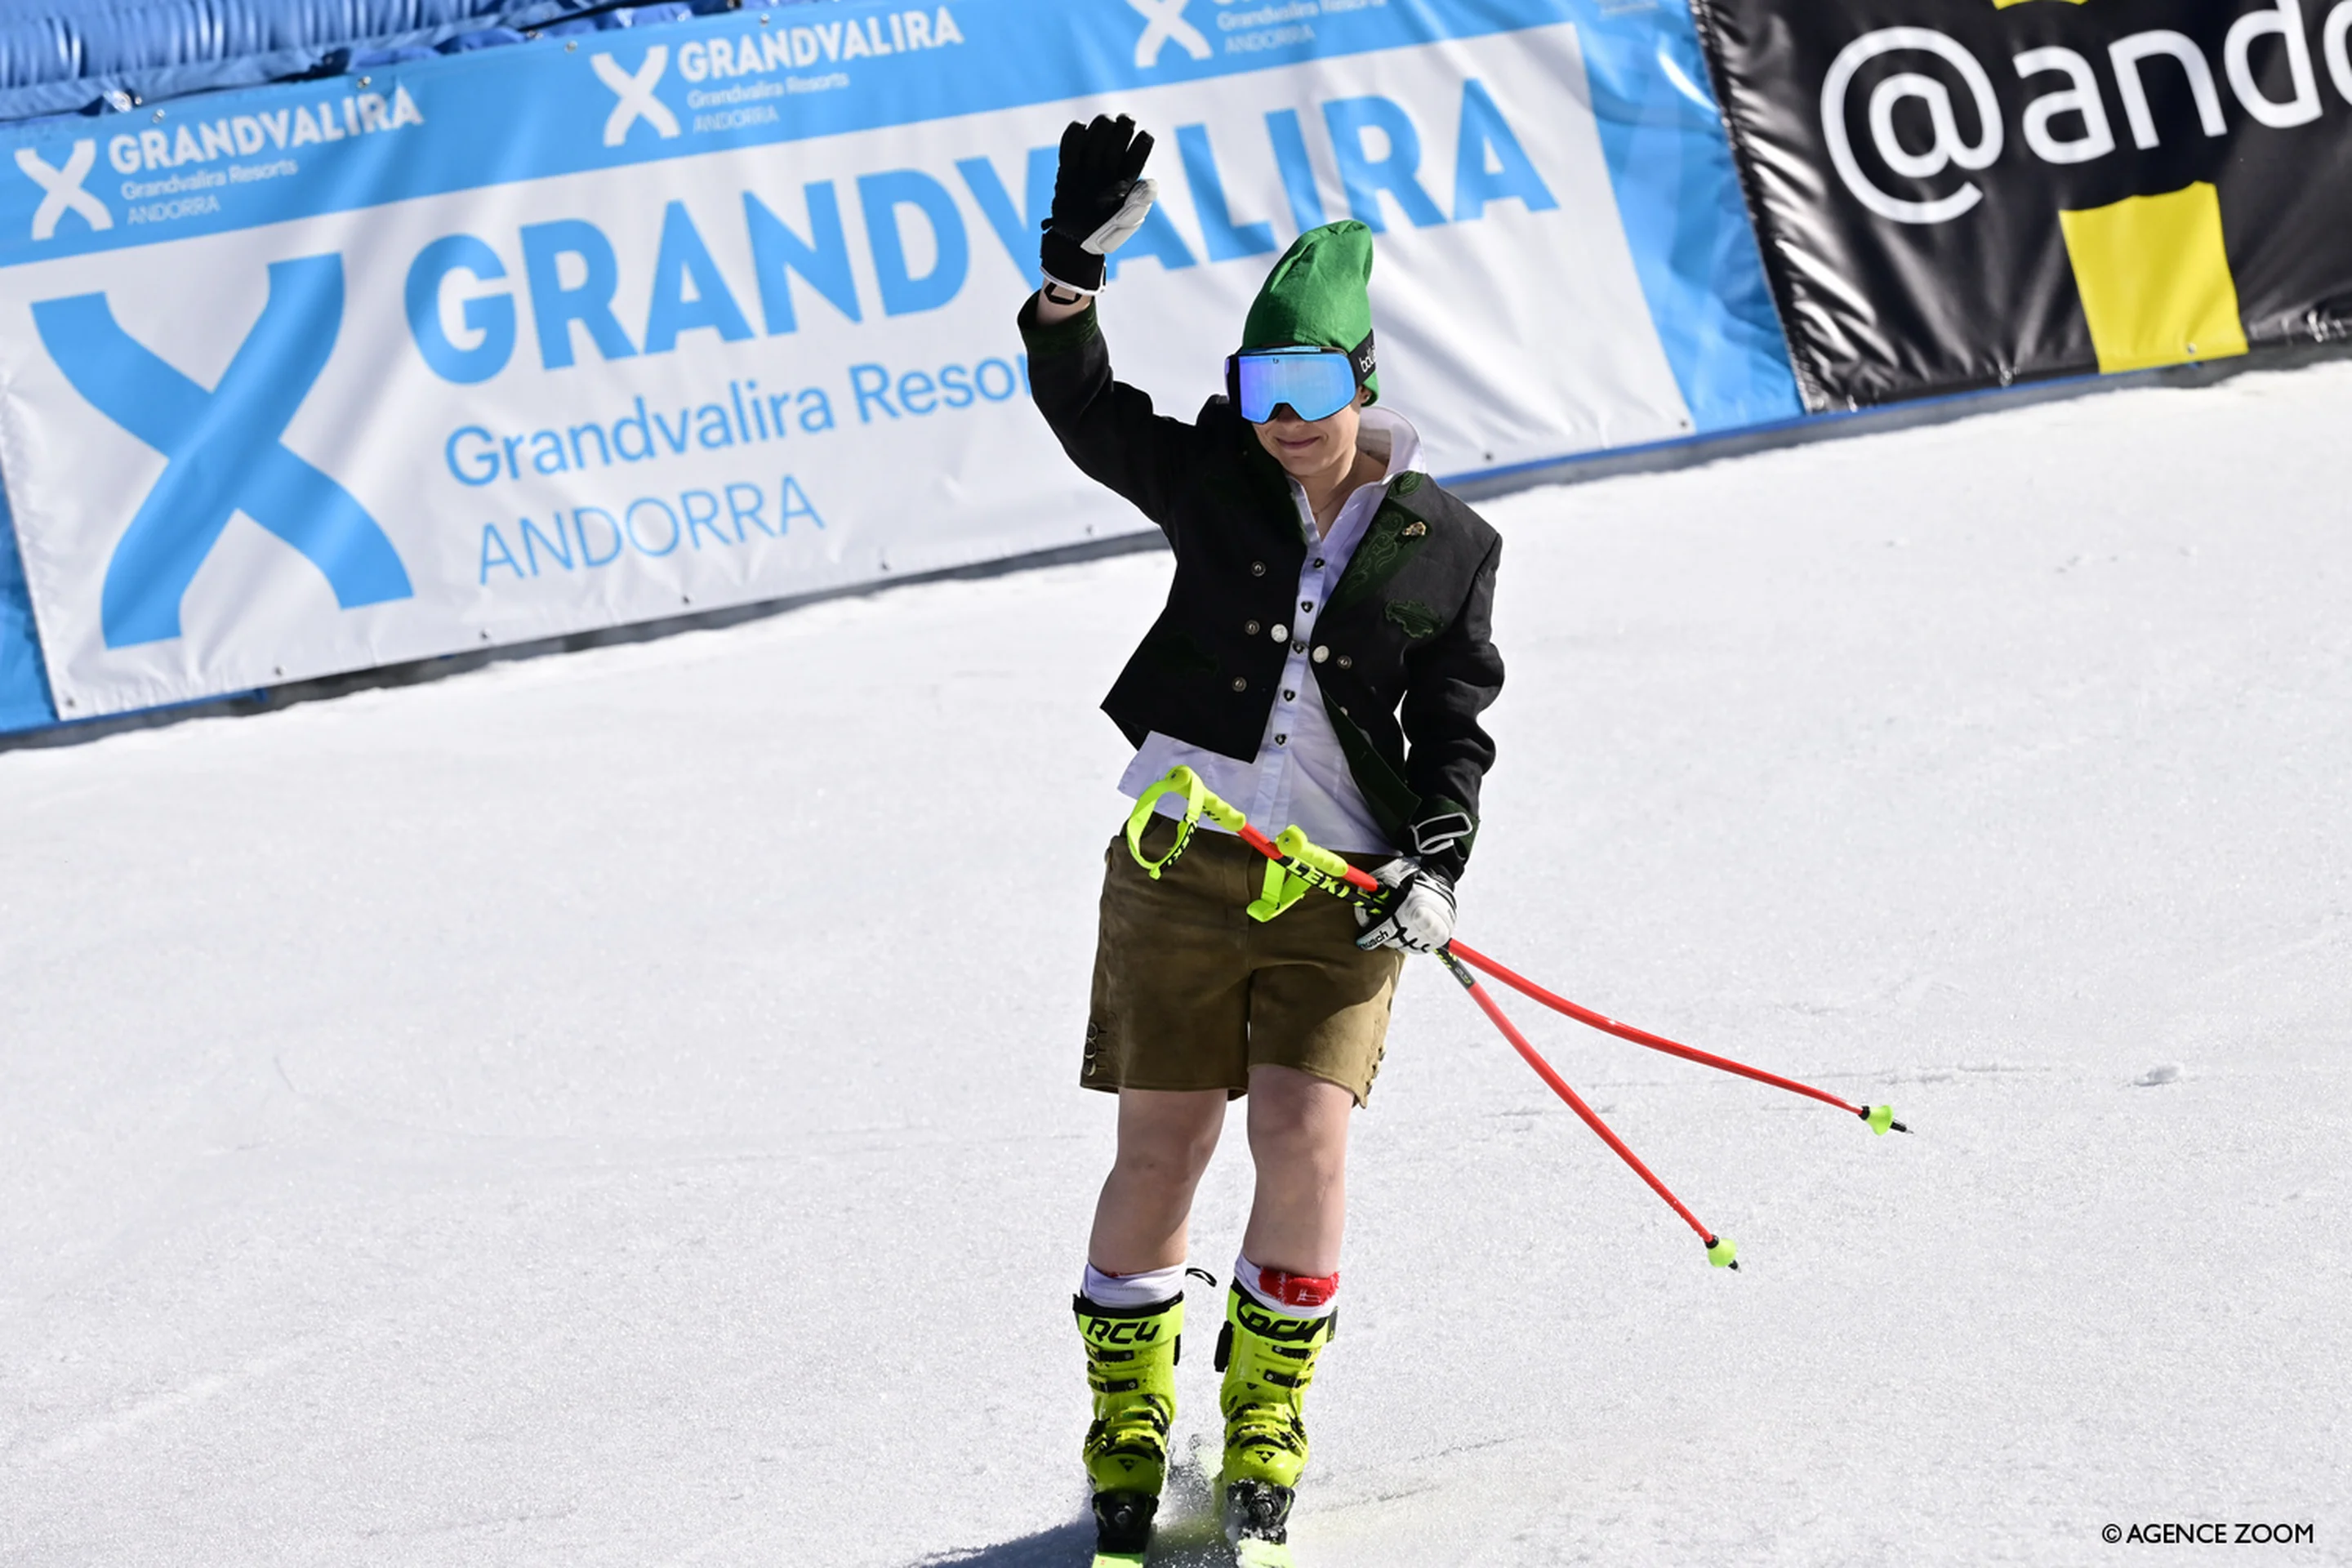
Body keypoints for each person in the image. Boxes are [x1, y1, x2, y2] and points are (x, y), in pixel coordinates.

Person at [1018, 114, 1504, 1566]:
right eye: (1256, 384)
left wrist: (1438, 857)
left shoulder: (1448, 542)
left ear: (1362, 378)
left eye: (1307, 384)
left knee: (1304, 1137)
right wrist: (1069, 283)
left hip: (1340, 895)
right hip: (1181, 863)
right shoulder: (1218, 476)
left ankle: (1267, 1421)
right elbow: (1089, 412)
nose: (1281, 415)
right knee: (1163, 1146)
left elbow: (1454, 725)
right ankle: (1127, 1426)